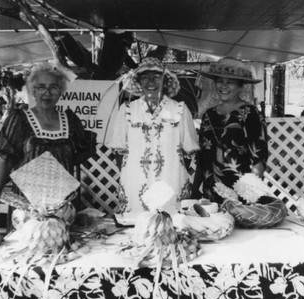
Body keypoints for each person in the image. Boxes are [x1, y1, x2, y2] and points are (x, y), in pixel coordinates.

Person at [0, 63, 95, 213]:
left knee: (59, 234)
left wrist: (59, 169)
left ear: (61, 91)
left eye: (53, 87)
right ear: (33, 91)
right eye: (41, 87)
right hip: (27, 203)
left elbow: (79, 155)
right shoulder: (20, 120)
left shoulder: (71, 121)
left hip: (61, 202)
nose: (47, 93)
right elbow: (6, 160)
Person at [105, 57, 199, 219]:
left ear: (165, 81)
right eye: (145, 77)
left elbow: (189, 151)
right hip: (135, 180)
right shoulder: (127, 110)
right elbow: (119, 151)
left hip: (171, 179)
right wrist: (129, 174)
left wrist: (175, 169)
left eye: (156, 77)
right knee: (136, 226)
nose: (151, 82)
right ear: (139, 82)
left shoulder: (180, 110)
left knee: (171, 224)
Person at [193, 57, 269, 202]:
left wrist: (250, 196)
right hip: (210, 194)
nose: (224, 86)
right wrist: (195, 188)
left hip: (239, 194)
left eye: (230, 82)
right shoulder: (208, 115)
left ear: (241, 86)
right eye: (220, 81)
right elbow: (202, 157)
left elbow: (259, 159)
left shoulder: (250, 113)